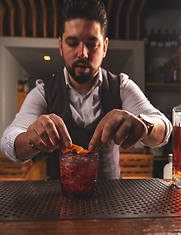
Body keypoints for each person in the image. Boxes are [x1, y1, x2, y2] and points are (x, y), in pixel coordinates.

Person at [0, 0, 172, 179]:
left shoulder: (121, 86)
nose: (82, 53)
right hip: (58, 201)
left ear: (104, 47)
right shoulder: (43, 91)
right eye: (72, 43)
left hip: (112, 200)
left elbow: (164, 127)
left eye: (92, 43)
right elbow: (7, 142)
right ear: (60, 46)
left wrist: (143, 124)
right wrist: (32, 138)